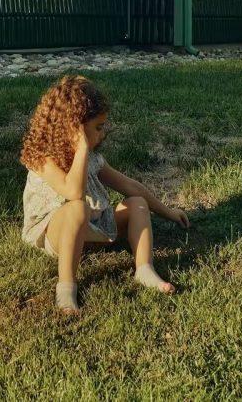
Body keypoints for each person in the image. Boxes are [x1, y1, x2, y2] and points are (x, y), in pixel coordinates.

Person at [20, 74, 189, 315]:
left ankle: (144, 268)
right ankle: (66, 287)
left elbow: (131, 187)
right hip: (55, 233)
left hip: (92, 226)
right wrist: (81, 149)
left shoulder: (93, 159)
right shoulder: (42, 159)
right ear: (73, 128)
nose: (102, 135)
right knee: (77, 207)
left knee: (137, 203)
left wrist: (168, 212)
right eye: (97, 128)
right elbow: (73, 192)